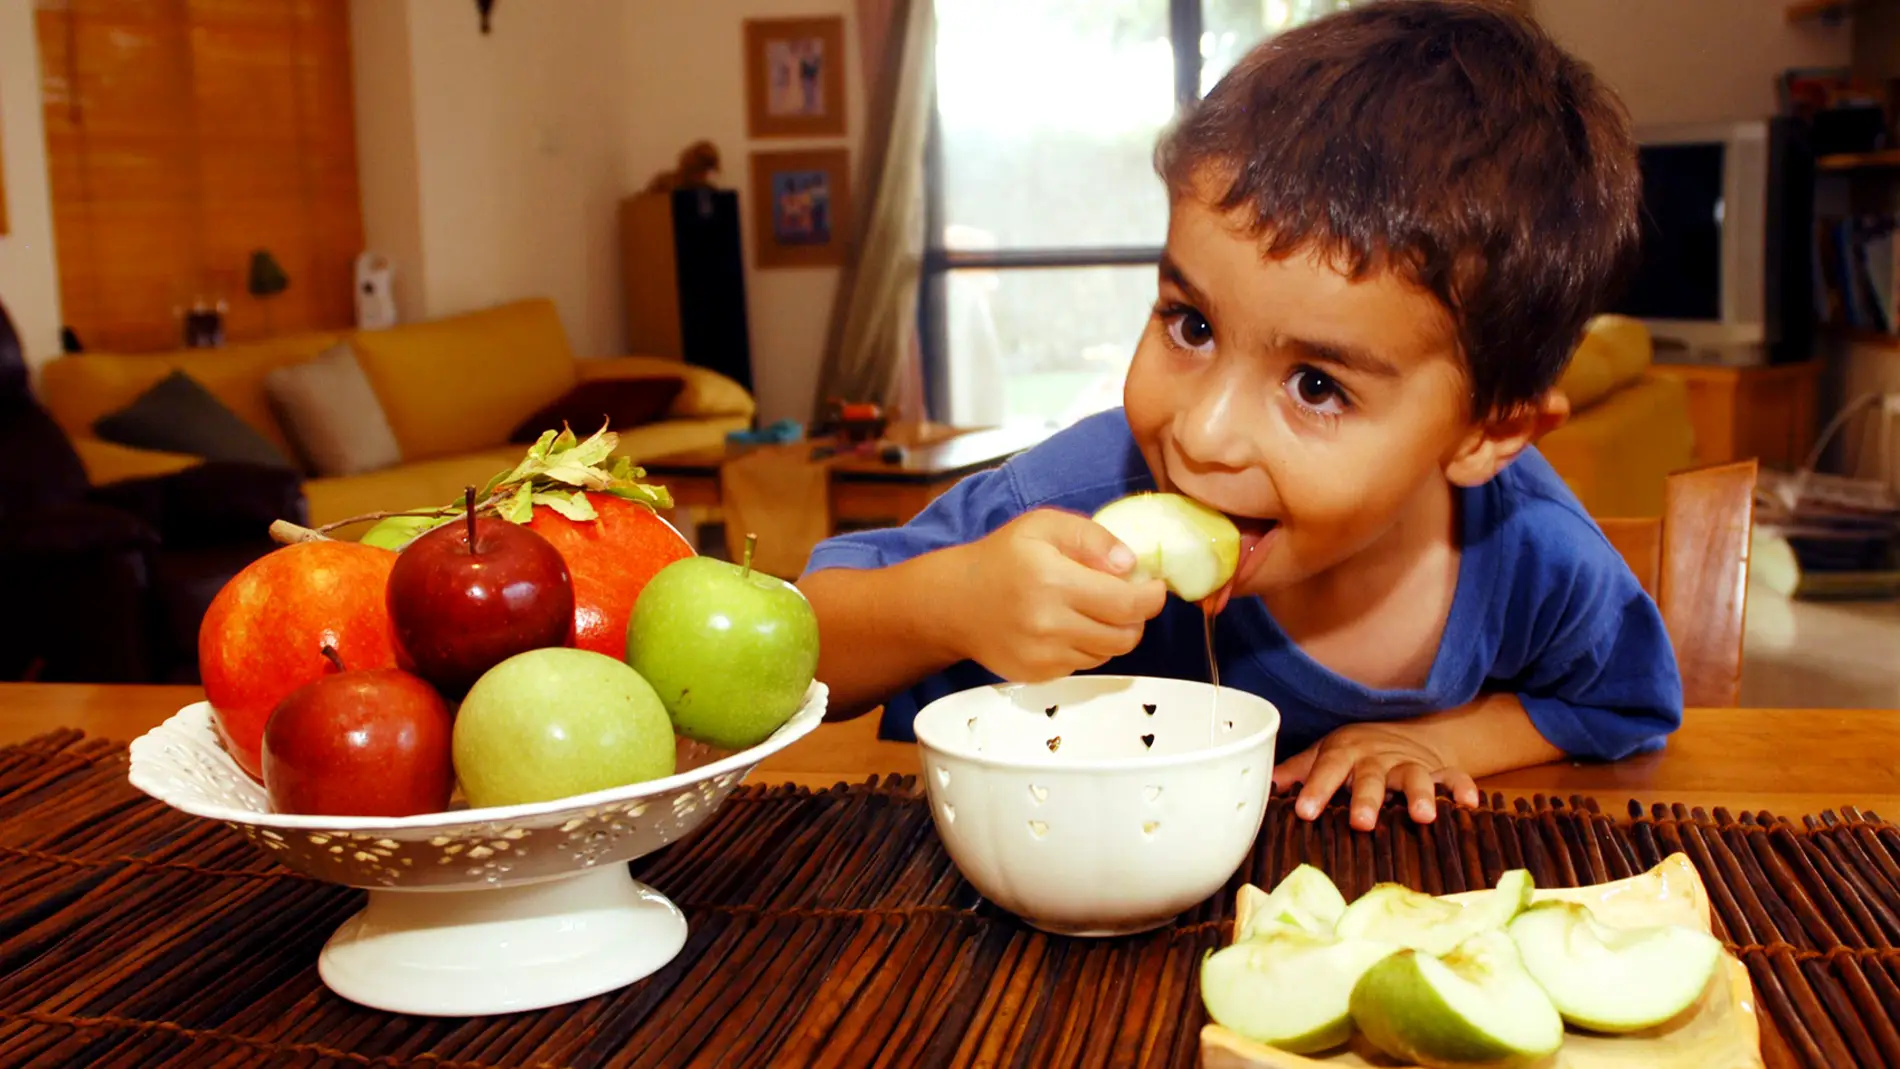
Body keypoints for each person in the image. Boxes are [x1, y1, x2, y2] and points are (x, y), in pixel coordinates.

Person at [795, 0, 1681, 832]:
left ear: (1484, 435)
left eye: (1318, 386)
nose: (1200, 435)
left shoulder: (1529, 551)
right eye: (1191, 324)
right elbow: (805, 646)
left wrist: (1449, 741)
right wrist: (954, 603)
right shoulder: (1078, 496)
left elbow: (1625, 700)